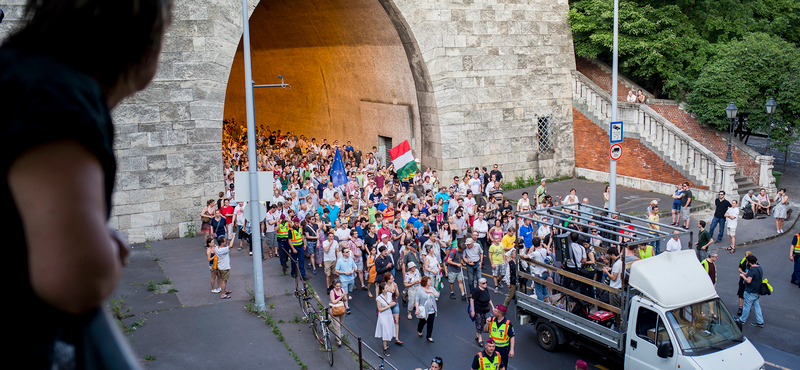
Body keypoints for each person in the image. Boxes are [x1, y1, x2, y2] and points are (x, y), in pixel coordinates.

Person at [735, 255, 765, 328]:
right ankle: (760, 321)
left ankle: (742, 320)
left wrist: (743, 276)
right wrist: (746, 274)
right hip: (757, 291)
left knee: (746, 306)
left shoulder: (752, 270)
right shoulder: (759, 268)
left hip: (750, 291)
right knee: (757, 306)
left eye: (747, 261)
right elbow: (754, 277)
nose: (746, 262)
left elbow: (748, 281)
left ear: (749, 262)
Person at [485, 304, 514, 370]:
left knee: (502, 365)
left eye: (496, 311)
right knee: (491, 364)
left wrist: (512, 349)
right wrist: (487, 323)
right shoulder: (492, 320)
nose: (494, 311)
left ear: (499, 314)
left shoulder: (508, 324)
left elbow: (512, 336)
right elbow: (485, 330)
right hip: (492, 348)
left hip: (503, 349)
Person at [375, 282, 397, 357]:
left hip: (389, 315)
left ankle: (386, 343)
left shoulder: (390, 295)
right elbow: (380, 309)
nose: (388, 288)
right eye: (386, 288)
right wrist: (389, 306)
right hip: (383, 315)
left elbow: (395, 297)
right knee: (385, 330)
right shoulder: (379, 298)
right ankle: (385, 348)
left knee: (388, 329)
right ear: (383, 290)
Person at [470, 278, 494, 346]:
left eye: (486, 282)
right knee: (480, 323)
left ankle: (477, 334)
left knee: (483, 322)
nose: (485, 284)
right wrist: (473, 311)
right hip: (478, 310)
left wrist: (493, 307)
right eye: (483, 283)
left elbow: (489, 299)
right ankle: (480, 338)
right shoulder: (477, 290)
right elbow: (472, 300)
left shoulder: (486, 289)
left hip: (485, 310)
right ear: (480, 284)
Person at [415, 276, 440, 342]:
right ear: (425, 282)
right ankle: (419, 330)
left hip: (432, 310)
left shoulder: (432, 288)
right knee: (423, 322)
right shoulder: (420, 290)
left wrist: (431, 291)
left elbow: (437, 295)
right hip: (424, 310)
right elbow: (417, 300)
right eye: (429, 281)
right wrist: (417, 309)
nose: (430, 282)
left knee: (430, 323)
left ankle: (429, 336)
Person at [329, 279, 349, 346]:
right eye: (337, 286)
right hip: (334, 309)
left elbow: (345, 299)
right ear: (334, 286)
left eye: (339, 286)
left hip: (341, 308)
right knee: (336, 324)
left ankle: (338, 335)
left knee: (340, 324)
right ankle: (339, 339)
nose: (338, 287)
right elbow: (333, 301)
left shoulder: (342, 290)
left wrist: (344, 296)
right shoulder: (332, 291)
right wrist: (340, 297)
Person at [736, 251, 754, 315]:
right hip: (742, 279)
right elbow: (739, 268)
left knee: (748, 294)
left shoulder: (753, 262)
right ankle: (740, 307)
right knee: (741, 293)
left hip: (749, 280)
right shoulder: (743, 260)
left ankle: (747, 307)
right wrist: (742, 272)